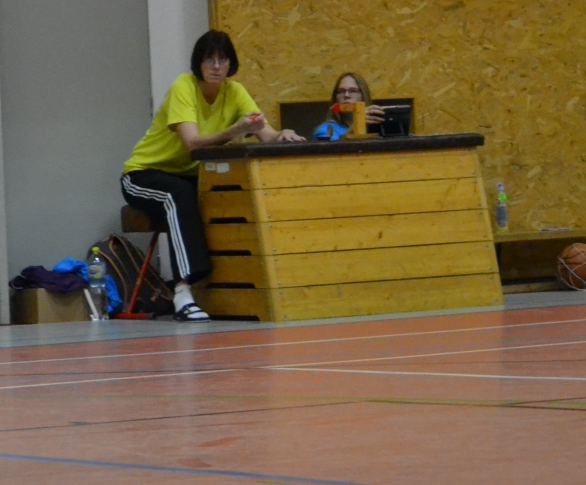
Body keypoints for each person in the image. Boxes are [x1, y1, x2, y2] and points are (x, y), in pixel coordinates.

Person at [120, 31, 303, 322]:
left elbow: (265, 134)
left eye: (223, 60)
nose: (216, 66)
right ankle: (182, 291)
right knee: (177, 194)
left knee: (223, 195)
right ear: (199, 63)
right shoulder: (184, 86)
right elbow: (192, 144)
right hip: (144, 174)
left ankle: (233, 287)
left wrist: (284, 134)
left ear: (231, 65)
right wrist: (236, 130)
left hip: (190, 177)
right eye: (209, 60)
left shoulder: (235, 91)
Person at [313, 72, 387, 140]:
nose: (346, 95)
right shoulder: (325, 129)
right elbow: (332, 148)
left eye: (353, 91)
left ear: (363, 96)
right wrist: (356, 125)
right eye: (341, 91)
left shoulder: (375, 125)